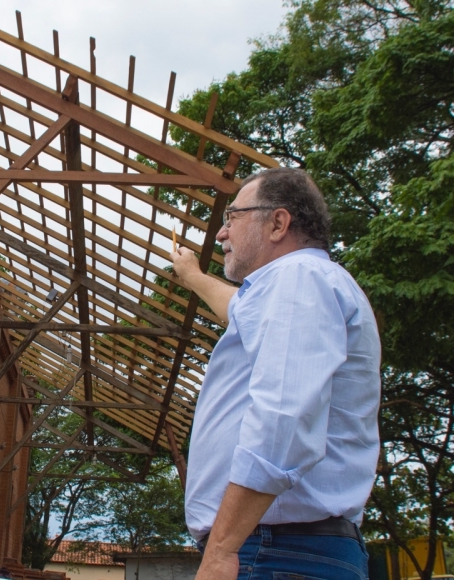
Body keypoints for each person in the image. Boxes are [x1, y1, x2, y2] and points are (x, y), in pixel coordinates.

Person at [170, 168, 380, 580]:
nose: (221, 234)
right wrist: (192, 275)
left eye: (232, 218)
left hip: (277, 551)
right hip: (278, 549)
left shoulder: (299, 279)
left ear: (278, 223)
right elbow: (237, 307)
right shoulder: (293, 287)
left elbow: (282, 420)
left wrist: (220, 551)